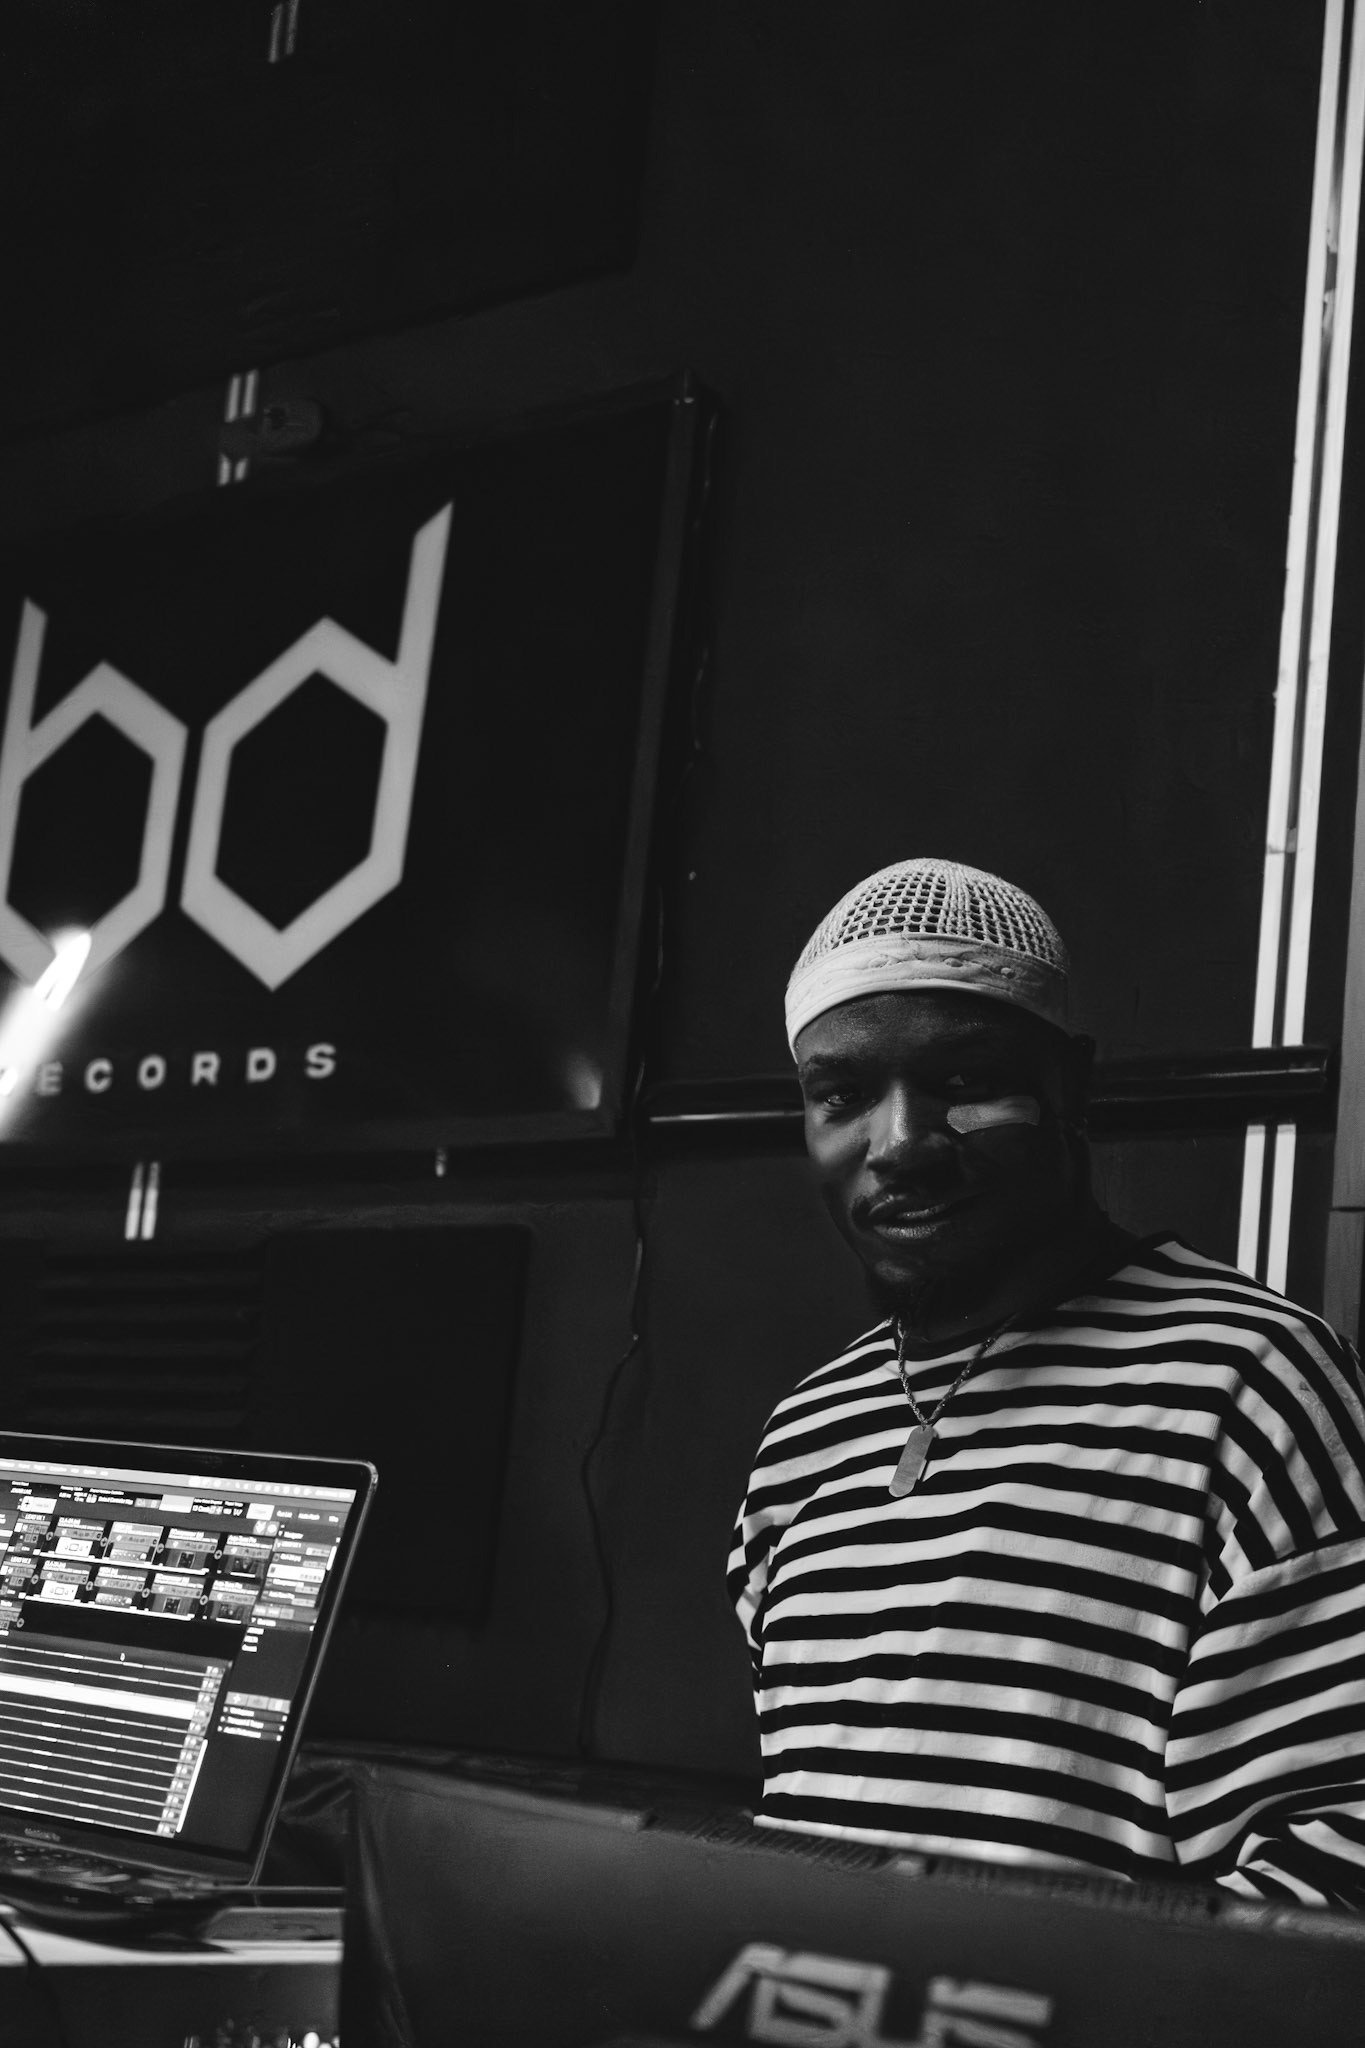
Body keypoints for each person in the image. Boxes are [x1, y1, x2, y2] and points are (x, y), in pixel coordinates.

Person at [729, 856, 1365, 1907]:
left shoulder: (1249, 1384)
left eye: (964, 1082)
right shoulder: (805, 1433)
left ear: (1073, 1086)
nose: (902, 1144)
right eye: (843, 1095)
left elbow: (1339, 1862)